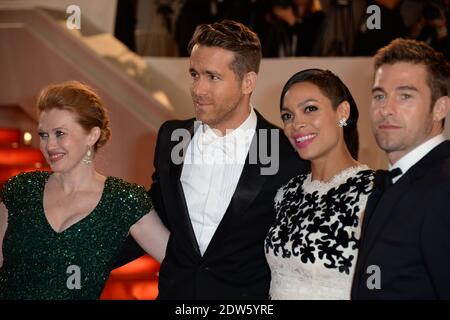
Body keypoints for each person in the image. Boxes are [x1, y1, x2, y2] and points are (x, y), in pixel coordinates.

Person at [150, 20, 309, 299]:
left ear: (248, 82)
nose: (198, 89)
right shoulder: (171, 137)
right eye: (194, 74)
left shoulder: (288, 152)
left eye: (212, 77)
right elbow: (156, 212)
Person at [0, 81, 169, 300]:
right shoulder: (21, 190)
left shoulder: (123, 200)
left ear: (92, 135)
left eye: (60, 133)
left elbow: (182, 266)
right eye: (43, 135)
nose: (49, 145)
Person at [351, 38, 450, 299]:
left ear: (440, 107)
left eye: (405, 96)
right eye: (380, 96)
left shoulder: (444, 188)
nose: (386, 109)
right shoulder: (390, 182)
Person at [265, 68, 375, 299]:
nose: (297, 124)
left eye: (310, 109)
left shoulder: (373, 190)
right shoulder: (286, 193)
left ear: (342, 112)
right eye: (288, 116)